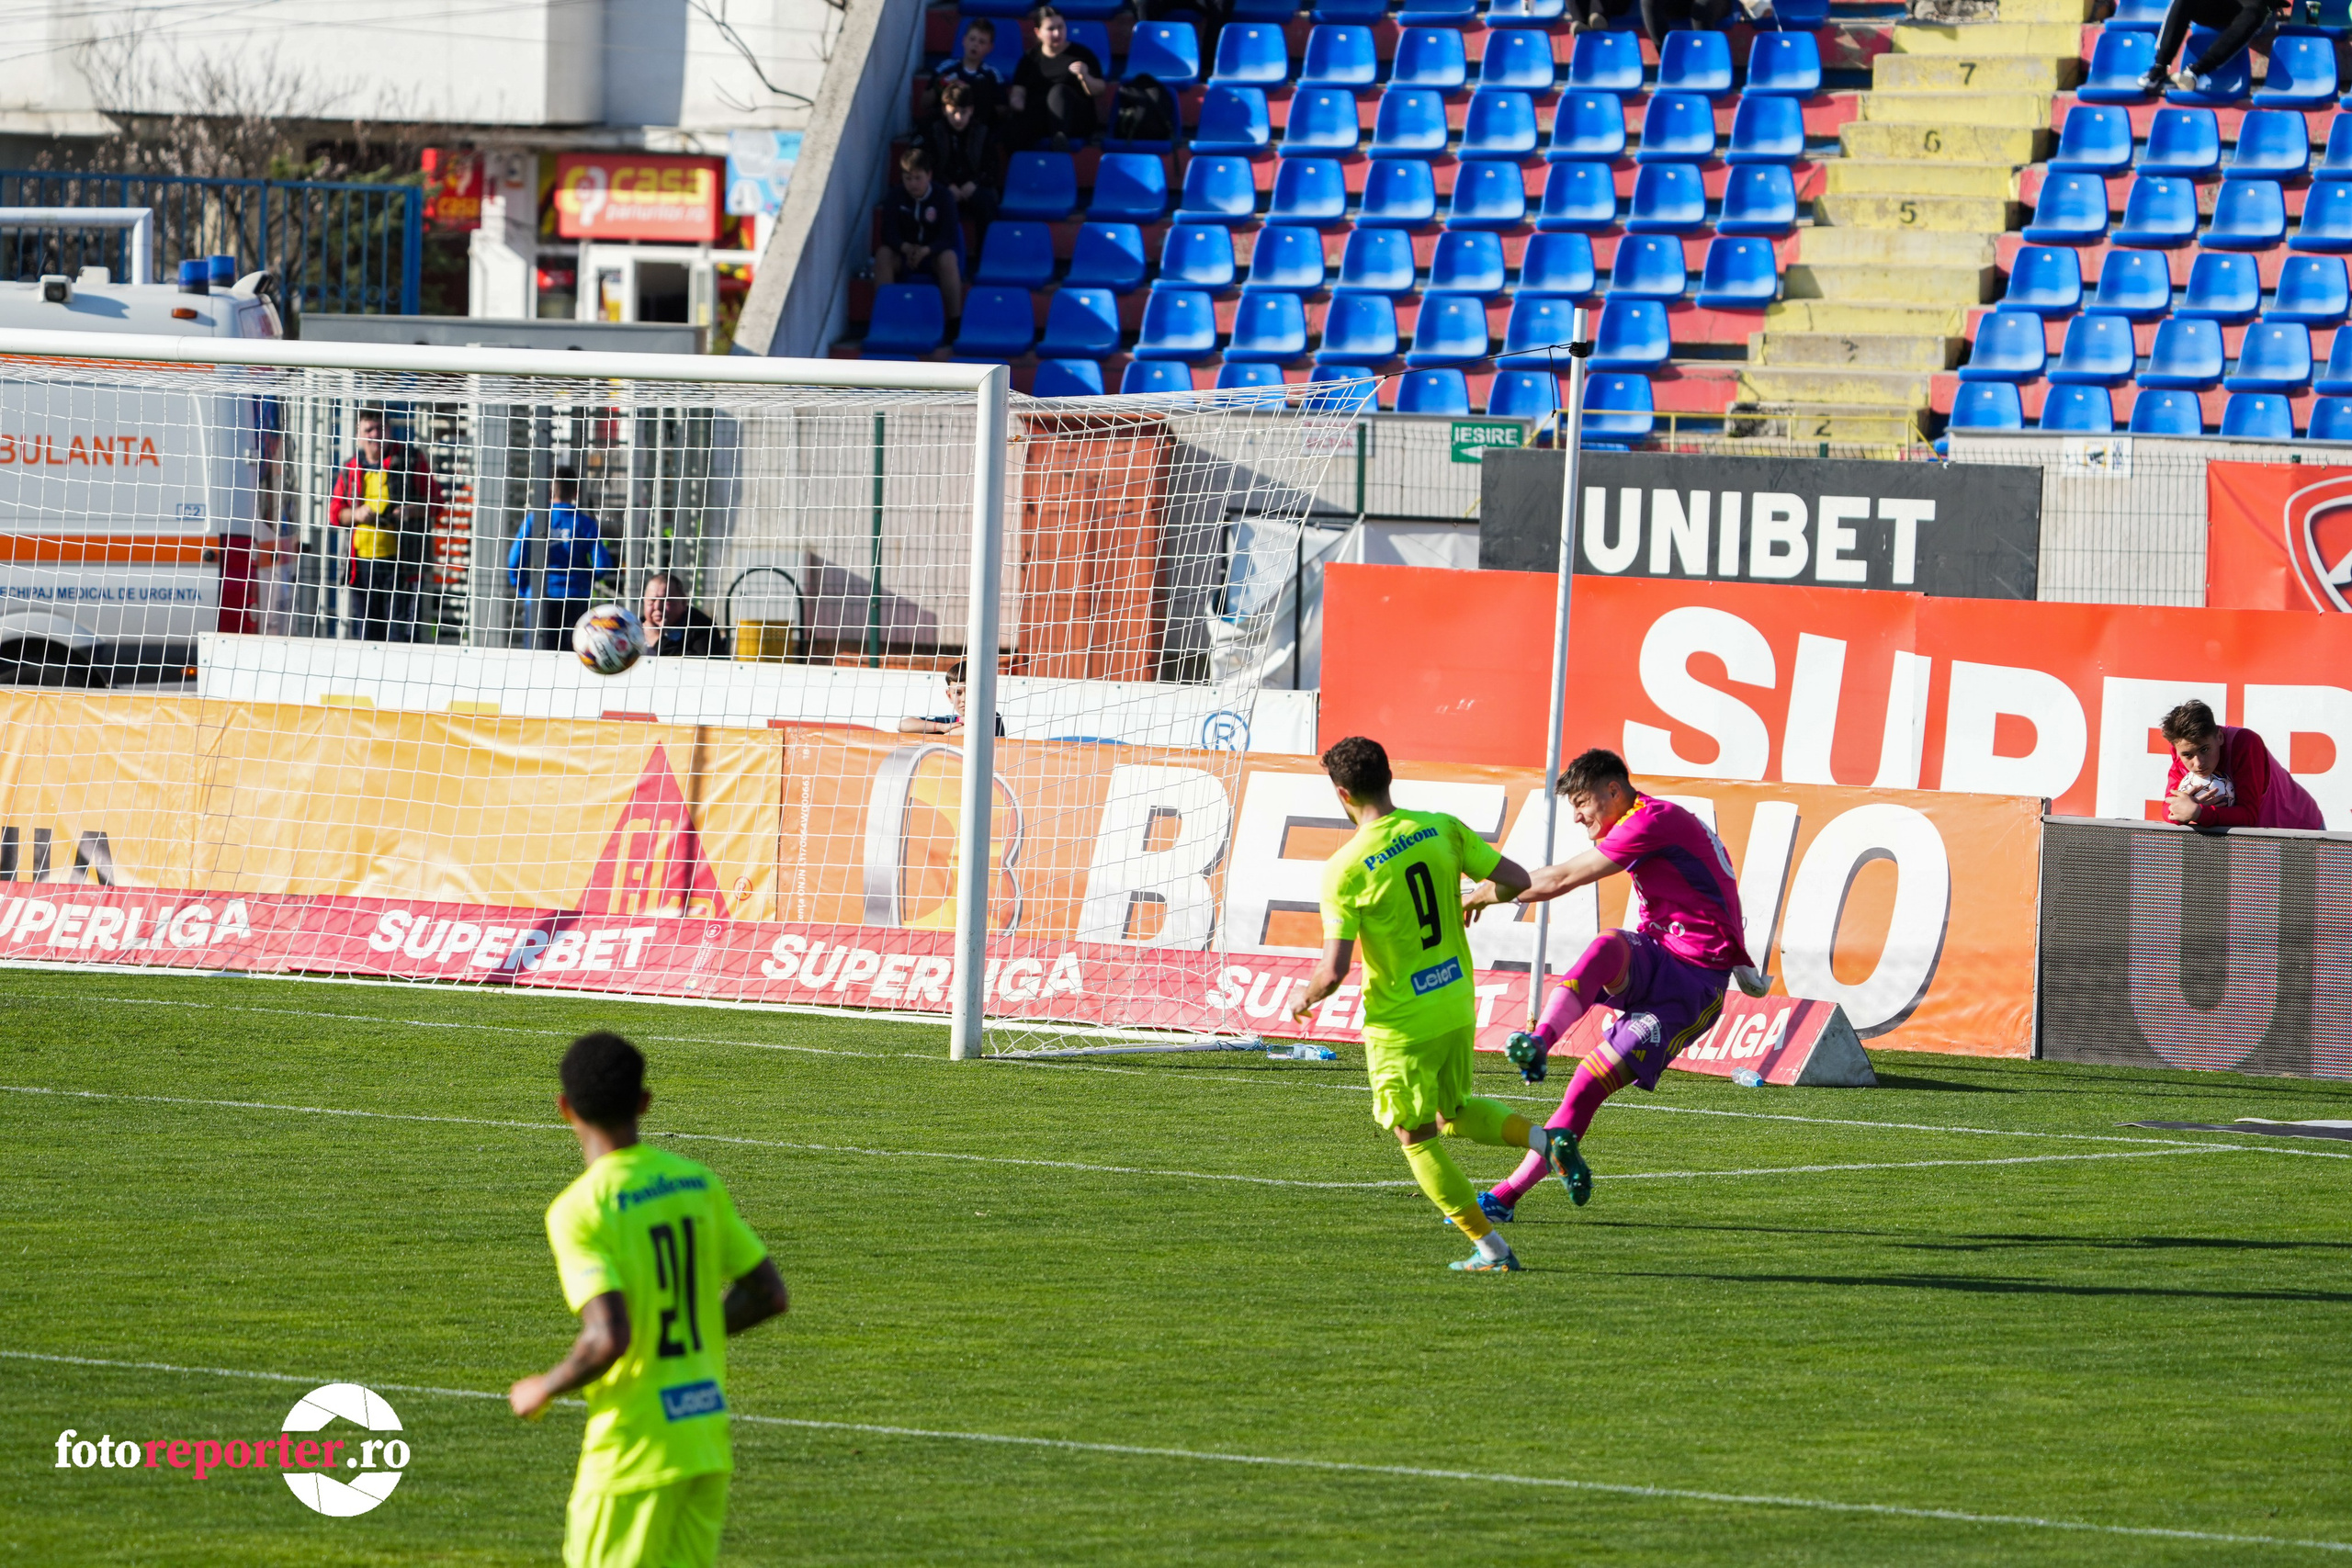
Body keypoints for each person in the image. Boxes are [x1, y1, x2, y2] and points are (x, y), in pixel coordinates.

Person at [1288, 736, 1570, 1273]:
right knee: (1453, 1113)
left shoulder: (1345, 868)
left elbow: (1333, 971)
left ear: (1341, 792)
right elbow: (1516, 880)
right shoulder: (1441, 826)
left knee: (1415, 1139)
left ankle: (1492, 1250)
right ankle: (1545, 1140)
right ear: (1389, 777)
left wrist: (1306, 999)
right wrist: (1475, 898)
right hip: (1457, 1002)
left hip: (1403, 1023)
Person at [510, 1032, 789, 1568]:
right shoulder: (695, 1183)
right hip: (704, 1442)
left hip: (633, 1452)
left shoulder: (581, 1209)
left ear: (564, 1108)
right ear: (643, 1103)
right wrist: (695, 1325)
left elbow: (609, 1337)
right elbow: (768, 1294)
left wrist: (542, 1387)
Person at [1462, 747, 1771, 1222]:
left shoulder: (1651, 821)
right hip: (1661, 953)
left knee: (1587, 1082)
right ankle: (1540, 1044)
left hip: (1692, 988)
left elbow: (1562, 878)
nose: (1578, 817)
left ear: (1613, 790)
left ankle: (1504, 1197)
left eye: (1582, 803)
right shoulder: (1654, 819)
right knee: (1607, 945)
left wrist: (1487, 891)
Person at [328, 410, 438, 643]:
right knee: (368, 636)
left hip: (401, 566)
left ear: (390, 432)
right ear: (359, 436)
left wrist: (410, 511)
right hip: (362, 568)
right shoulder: (352, 468)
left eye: (381, 428)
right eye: (369, 429)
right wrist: (357, 514)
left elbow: (436, 503)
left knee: (400, 637)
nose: (375, 434)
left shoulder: (410, 461)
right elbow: (336, 513)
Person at [2160, 698, 2324, 829]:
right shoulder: (2180, 746)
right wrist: (2180, 810)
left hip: (2299, 830)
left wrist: (2198, 813)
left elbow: (2249, 816)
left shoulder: (2245, 743)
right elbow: (2168, 807)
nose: (2198, 763)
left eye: (2204, 750)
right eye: (2188, 755)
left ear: (2220, 737)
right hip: (2254, 840)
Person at [506, 470, 616, 654]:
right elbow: (603, 565)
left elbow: (514, 560)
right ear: (576, 492)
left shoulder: (535, 519)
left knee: (536, 655)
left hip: (540, 596)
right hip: (575, 597)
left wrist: (523, 587)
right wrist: (584, 578)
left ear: (550, 491)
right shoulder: (585, 523)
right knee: (572, 657)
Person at [874, 147, 966, 335]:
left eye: (918, 178)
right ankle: (886, 317)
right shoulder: (895, 197)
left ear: (929, 175)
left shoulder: (943, 197)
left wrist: (927, 250)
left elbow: (949, 235)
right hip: (904, 254)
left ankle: (955, 322)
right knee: (883, 255)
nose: (913, 184)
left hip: (933, 255)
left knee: (949, 258)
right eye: (908, 178)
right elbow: (888, 232)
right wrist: (905, 247)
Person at [2142, 0, 2289, 94]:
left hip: (2256, 9)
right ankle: (2160, 67)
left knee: (2256, 10)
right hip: (2223, 6)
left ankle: (2196, 71)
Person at [1010, 7, 1103, 151]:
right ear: (1038, 32)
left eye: (1061, 27)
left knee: (1059, 91)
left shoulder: (1081, 54)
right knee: (1015, 130)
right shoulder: (1029, 59)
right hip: (1042, 117)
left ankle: (1060, 140)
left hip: (1074, 120)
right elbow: (1018, 90)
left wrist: (1085, 76)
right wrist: (1017, 101)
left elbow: (1099, 89)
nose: (1057, 33)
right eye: (1051, 29)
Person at [923, 80, 1001, 233]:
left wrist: (975, 183)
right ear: (945, 110)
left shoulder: (981, 132)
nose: (958, 118)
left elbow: (992, 166)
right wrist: (948, 185)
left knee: (987, 200)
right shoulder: (934, 131)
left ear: (971, 110)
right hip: (944, 187)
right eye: (953, 112)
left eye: (963, 112)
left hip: (973, 187)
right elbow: (928, 165)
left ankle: (985, 251)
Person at [898, 656, 1006, 736]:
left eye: (970, 693)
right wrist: (941, 727)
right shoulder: (948, 723)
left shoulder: (992, 718)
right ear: (949, 696)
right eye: (958, 693)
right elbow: (902, 725)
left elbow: (976, 729)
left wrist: (945, 736)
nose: (964, 699)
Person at [933, 17, 1006, 126]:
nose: (975, 44)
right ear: (964, 40)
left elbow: (1003, 110)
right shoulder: (947, 68)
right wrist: (942, 85)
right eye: (972, 39)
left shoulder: (992, 75)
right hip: (949, 126)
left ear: (990, 48)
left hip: (980, 128)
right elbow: (924, 103)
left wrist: (982, 96)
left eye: (982, 42)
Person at [641, 571, 730, 659]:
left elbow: (703, 666)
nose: (657, 606)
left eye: (665, 600)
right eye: (651, 600)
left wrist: (659, 642)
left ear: (683, 603)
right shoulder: (635, 626)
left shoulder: (703, 627)